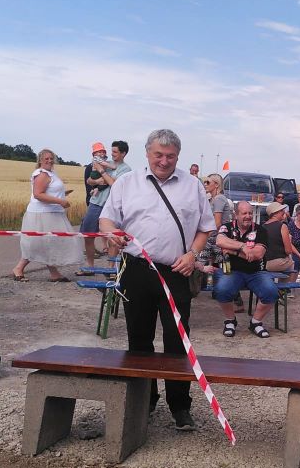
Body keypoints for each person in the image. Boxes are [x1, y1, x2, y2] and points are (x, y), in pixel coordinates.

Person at [100, 129, 214, 430]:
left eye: (170, 156)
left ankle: (180, 406)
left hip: (178, 270)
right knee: (139, 339)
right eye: (158, 155)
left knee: (178, 341)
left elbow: (206, 228)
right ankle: (143, 401)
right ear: (147, 153)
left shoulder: (193, 186)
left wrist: (193, 255)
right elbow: (107, 219)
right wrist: (111, 231)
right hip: (136, 269)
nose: (164, 161)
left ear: (178, 156)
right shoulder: (126, 183)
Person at [12, 149, 83, 283]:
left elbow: (48, 191)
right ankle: (18, 268)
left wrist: (62, 194)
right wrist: (60, 201)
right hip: (41, 214)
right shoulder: (42, 174)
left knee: (50, 242)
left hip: (52, 213)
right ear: (40, 161)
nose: (50, 161)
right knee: (38, 243)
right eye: (46, 159)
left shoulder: (52, 173)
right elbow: (38, 194)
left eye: (51, 158)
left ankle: (54, 273)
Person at [214, 201, 279, 338]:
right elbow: (220, 241)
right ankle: (230, 320)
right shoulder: (226, 228)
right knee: (221, 290)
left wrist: (233, 251)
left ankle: (256, 322)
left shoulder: (260, 230)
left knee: (271, 292)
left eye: (250, 213)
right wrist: (243, 247)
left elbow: (258, 254)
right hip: (232, 271)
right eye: (244, 213)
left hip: (257, 271)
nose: (248, 216)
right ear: (236, 214)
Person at [77, 140, 130, 275]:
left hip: (112, 205)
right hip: (96, 203)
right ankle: (90, 267)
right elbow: (89, 180)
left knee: (113, 237)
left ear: (123, 153)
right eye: (111, 151)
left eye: (115, 152)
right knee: (88, 234)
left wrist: (102, 171)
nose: (112, 154)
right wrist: (97, 180)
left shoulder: (126, 169)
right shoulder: (107, 164)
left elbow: (114, 184)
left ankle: (110, 268)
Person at [197, 173, 233, 274]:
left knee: (199, 258)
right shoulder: (213, 199)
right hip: (216, 236)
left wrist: (203, 237)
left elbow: (217, 223)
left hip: (217, 236)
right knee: (219, 264)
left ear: (216, 184)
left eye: (208, 182)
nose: (205, 184)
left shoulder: (219, 199)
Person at [262, 201, 292, 272]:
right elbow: (288, 251)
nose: (284, 212)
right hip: (278, 262)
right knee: (292, 263)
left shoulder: (262, 226)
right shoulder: (282, 226)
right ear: (275, 214)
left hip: (263, 263)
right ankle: (287, 283)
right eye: (281, 210)